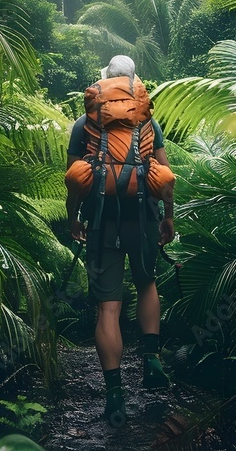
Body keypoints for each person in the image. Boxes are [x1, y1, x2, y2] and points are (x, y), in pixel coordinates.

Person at [65, 55, 175, 427]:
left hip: (101, 221)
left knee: (108, 307)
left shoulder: (85, 122)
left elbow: (75, 178)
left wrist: (73, 218)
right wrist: (168, 218)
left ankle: (115, 395)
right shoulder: (147, 121)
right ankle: (152, 361)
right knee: (146, 283)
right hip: (142, 215)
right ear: (133, 84)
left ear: (104, 83)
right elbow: (162, 172)